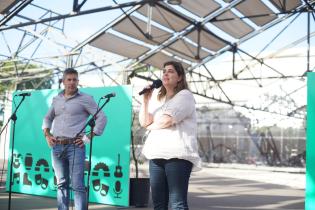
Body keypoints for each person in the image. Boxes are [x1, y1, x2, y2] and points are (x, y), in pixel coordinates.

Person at [139, 61, 201, 210]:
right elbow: (144, 122)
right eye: (164, 71)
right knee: (158, 203)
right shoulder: (159, 100)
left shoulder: (185, 96)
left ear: (180, 77)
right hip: (156, 155)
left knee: (177, 204)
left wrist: (151, 127)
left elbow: (167, 120)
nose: (166, 74)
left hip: (177, 156)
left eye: (171, 71)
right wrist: (146, 101)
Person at [42, 68, 106, 210]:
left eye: (74, 79)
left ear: (78, 81)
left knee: (77, 185)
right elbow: (47, 118)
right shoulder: (56, 99)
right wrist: (47, 134)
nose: (72, 82)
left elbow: (102, 117)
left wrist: (89, 136)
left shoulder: (86, 99)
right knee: (61, 184)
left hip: (75, 146)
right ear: (63, 82)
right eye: (69, 79)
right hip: (56, 146)